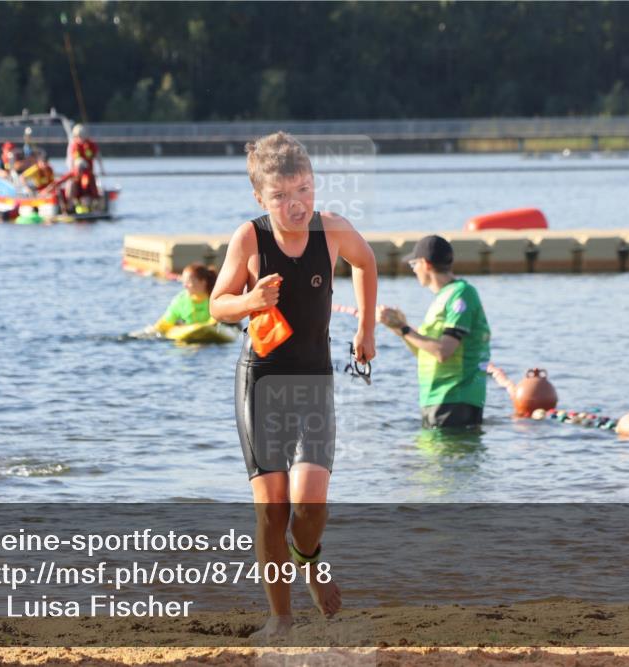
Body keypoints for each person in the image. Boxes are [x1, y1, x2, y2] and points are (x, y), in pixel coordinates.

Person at [209, 131, 377, 638]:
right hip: (261, 382)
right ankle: (279, 619)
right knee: (272, 507)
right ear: (261, 198)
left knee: (309, 508)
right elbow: (217, 304)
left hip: (313, 383)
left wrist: (365, 329)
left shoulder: (334, 232)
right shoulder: (250, 238)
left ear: (314, 185)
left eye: (303, 189)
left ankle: (309, 557)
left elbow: (366, 263)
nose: (295, 203)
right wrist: (249, 301)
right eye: (281, 196)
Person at [377, 235, 491, 428]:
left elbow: (443, 351)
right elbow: (424, 352)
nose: (414, 270)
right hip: (435, 399)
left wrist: (404, 328)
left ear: (425, 264)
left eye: (414, 264)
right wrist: (397, 327)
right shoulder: (442, 297)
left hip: (456, 398)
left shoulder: (461, 294)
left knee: (441, 457)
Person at [153, 263, 217, 334]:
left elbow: (216, 320)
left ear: (203, 282)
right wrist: (154, 329)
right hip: (188, 336)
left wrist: (205, 327)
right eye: (184, 282)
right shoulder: (181, 300)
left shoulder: (215, 299)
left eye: (188, 282)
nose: (185, 286)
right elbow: (167, 320)